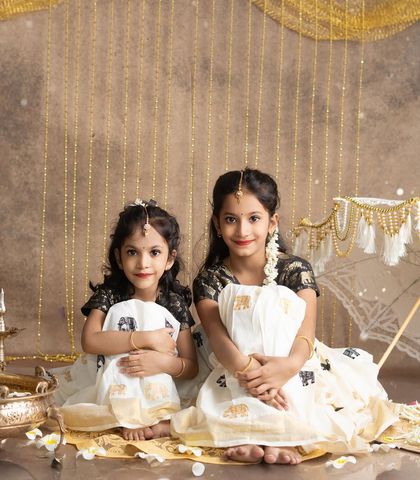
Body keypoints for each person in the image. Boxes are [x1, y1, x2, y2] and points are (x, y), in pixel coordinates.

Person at [171, 168, 398, 464]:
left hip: (292, 358)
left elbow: (305, 333)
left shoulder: (294, 270)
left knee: (305, 386)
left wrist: (286, 367)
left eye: (254, 218)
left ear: (272, 222)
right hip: (231, 360)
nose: (242, 231)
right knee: (226, 391)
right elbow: (216, 335)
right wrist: (254, 374)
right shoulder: (210, 279)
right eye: (231, 219)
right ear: (217, 223)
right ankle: (250, 435)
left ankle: (284, 438)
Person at [53, 200, 198, 441]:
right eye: (133, 252)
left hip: (157, 378)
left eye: (154, 252)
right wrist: (145, 338)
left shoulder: (174, 303)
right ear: (119, 258)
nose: (143, 263)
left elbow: (190, 366)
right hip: (112, 372)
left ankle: (157, 414)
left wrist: (161, 363)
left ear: (170, 259)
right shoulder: (111, 294)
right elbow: (90, 342)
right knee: (125, 313)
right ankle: (126, 414)